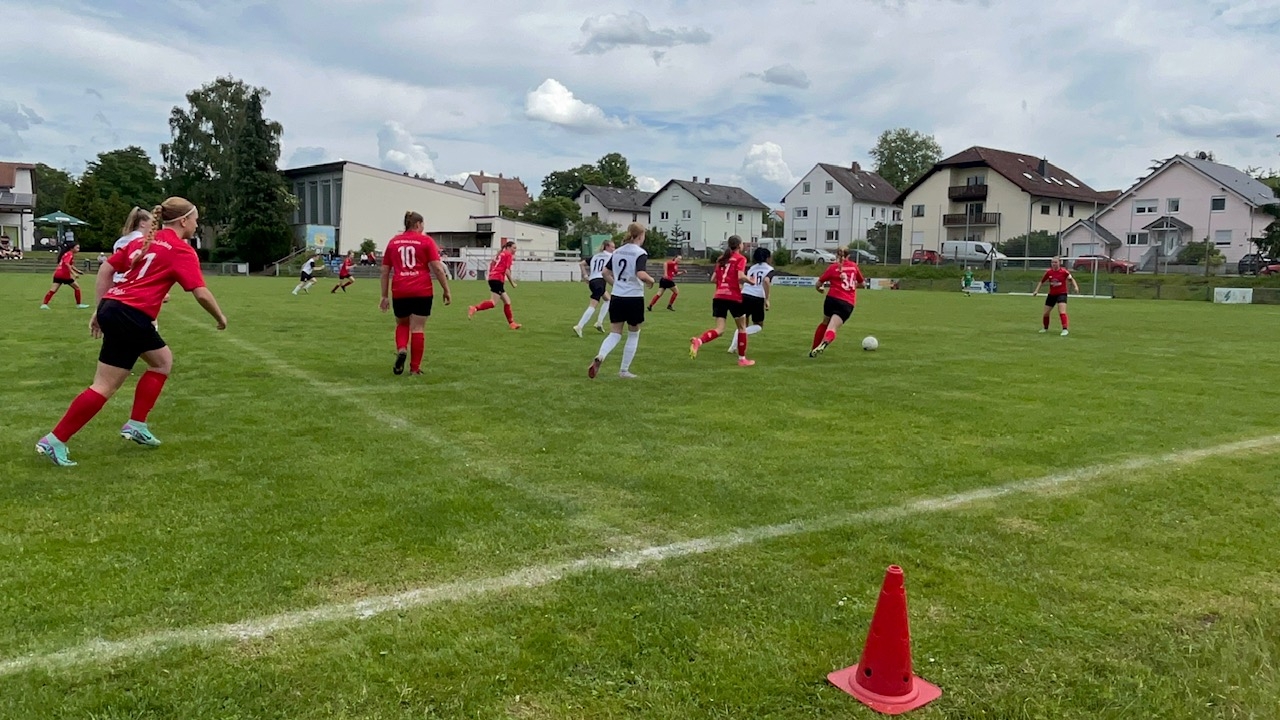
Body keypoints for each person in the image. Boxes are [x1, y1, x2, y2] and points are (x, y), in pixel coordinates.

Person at [35, 197, 227, 467]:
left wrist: (101, 307)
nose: (197, 225)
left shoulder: (144, 241)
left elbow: (107, 268)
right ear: (184, 220)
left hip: (115, 308)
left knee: (161, 362)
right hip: (130, 314)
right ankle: (55, 439)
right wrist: (220, 317)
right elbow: (201, 293)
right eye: (196, 220)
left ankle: (136, 424)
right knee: (108, 384)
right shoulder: (181, 250)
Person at [381, 211, 452, 376]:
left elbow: (384, 270)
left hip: (400, 289)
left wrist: (384, 296)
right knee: (418, 327)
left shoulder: (393, 242)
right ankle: (414, 368)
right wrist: (446, 289)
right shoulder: (426, 241)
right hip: (422, 289)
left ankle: (402, 349)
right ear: (418, 224)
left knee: (402, 324)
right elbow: (437, 268)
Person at [587, 223, 654, 379]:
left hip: (617, 297)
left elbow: (605, 272)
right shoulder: (640, 253)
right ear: (640, 236)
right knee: (634, 334)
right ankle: (624, 371)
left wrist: (616, 284)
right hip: (634, 297)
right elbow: (641, 274)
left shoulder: (617, 251)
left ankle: (601, 355)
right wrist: (651, 280)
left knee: (615, 333)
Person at [689, 236, 756, 366]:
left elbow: (713, 279)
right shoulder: (741, 258)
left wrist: (724, 284)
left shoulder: (721, 259)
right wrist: (751, 281)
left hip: (719, 296)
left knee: (720, 329)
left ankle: (699, 341)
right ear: (739, 245)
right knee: (742, 328)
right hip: (733, 297)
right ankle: (742, 359)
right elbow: (740, 276)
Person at [809, 247, 864, 357]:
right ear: (848, 256)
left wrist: (820, 289)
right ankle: (826, 341)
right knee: (832, 327)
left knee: (825, 322)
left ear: (836, 256)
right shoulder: (854, 266)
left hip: (831, 299)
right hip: (846, 302)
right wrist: (853, 285)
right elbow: (862, 284)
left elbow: (818, 284)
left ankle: (814, 349)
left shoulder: (832, 268)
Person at [728, 247, 773, 352]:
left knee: (743, 324)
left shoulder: (752, 268)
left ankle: (733, 347)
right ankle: (737, 336)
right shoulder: (769, 269)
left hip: (744, 295)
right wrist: (767, 299)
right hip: (757, 298)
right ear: (767, 258)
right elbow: (766, 281)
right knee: (758, 326)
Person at [468, 241, 520, 329]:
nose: (515, 250)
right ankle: (474, 308)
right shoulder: (508, 255)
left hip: (493, 278)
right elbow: (507, 271)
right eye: (514, 248)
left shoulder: (500, 254)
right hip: (497, 279)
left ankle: (512, 324)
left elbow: (492, 264)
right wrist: (512, 283)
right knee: (493, 303)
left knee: (507, 301)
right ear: (508, 247)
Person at [573, 240, 614, 337]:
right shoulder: (611, 256)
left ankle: (599, 323)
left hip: (592, 281)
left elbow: (581, 264)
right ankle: (579, 326)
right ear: (607, 247)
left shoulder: (595, 256)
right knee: (593, 305)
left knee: (608, 300)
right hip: (600, 281)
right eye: (612, 247)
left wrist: (585, 275)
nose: (614, 249)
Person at [1031, 256, 1079, 336]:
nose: (1054, 264)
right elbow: (1041, 282)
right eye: (1052, 262)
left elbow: (1071, 279)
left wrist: (1076, 287)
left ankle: (1065, 329)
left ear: (1059, 263)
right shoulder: (1049, 272)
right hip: (1052, 294)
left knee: (1062, 311)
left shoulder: (1064, 272)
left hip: (1062, 294)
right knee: (1046, 313)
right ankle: (1045, 328)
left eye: (1056, 262)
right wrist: (1036, 291)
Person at [41, 243, 90, 309]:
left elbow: (71, 265)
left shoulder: (66, 254)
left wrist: (78, 271)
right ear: (72, 248)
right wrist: (74, 274)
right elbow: (67, 264)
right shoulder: (70, 254)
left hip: (58, 274)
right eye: (77, 248)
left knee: (53, 290)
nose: (78, 249)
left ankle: (44, 304)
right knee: (77, 288)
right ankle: (79, 304)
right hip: (64, 274)